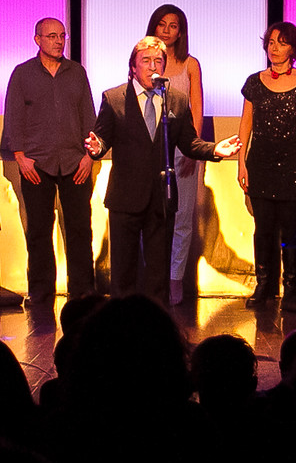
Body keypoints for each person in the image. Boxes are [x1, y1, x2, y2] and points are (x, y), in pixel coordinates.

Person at [84, 36, 240, 306]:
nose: (153, 66)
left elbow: (189, 142)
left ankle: (156, 330)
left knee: (158, 273)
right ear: (133, 67)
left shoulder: (176, 100)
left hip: (161, 198)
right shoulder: (114, 98)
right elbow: (102, 139)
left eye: (158, 61)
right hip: (125, 197)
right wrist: (96, 148)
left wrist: (215, 150)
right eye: (146, 61)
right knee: (123, 273)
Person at [2, 17, 98, 309]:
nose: (59, 41)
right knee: (40, 230)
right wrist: (20, 157)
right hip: (37, 163)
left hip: (74, 161)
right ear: (38, 40)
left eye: (62, 36)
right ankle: (41, 292)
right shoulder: (23, 74)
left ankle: (82, 292)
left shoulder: (76, 73)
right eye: (52, 36)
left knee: (80, 228)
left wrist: (89, 157)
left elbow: (88, 117)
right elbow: (13, 118)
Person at [237, 21, 296, 306]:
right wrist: (241, 164)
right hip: (260, 165)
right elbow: (245, 125)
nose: (274, 48)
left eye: (281, 43)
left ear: (293, 48)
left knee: (292, 231)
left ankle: (293, 289)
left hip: (294, 167)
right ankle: (264, 286)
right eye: (271, 42)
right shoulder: (254, 82)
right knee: (263, 230)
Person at [146, 4, 205, 306]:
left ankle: (175, 279)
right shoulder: (146, 63)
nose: (167, 30)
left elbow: (196, 109)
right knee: (151, 215)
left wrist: (192, 148)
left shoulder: (189, 64)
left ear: (181, 32)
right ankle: (152, 279)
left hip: (183, 151)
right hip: (151, 152)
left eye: (173, 26)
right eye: (162, 24)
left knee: (182, 218)